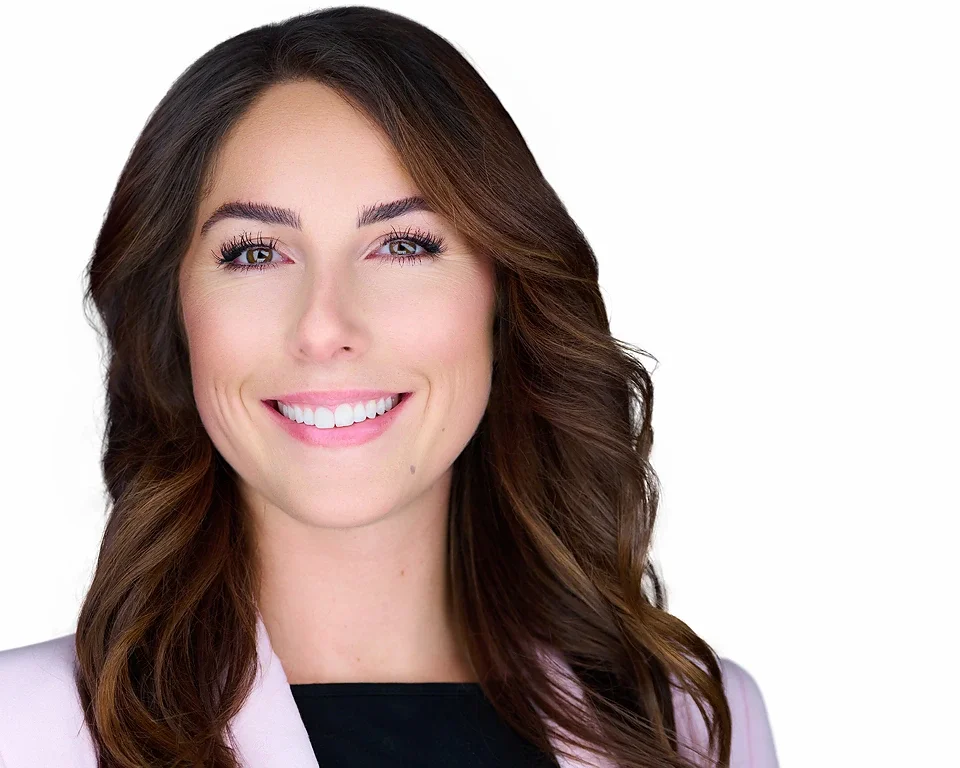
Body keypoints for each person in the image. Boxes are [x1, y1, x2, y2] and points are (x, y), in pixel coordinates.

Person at [0, 6, 778, 767]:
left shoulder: (690, 726)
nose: (323, 326)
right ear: (174, 312)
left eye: (402, 245)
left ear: (503, 296)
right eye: (253, 254)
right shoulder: (22, 731)